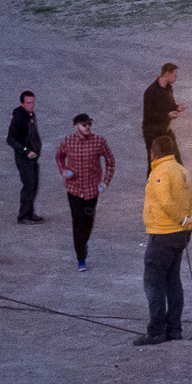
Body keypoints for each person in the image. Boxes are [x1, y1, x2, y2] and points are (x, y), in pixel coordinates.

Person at [136, 132, 192, 347]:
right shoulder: (182, 171)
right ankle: (174, 329)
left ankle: (156, 332)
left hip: (163, 233)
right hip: (180, 236)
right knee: (173, 281)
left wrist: (182, 220)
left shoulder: (159, 172)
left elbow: (165, 201)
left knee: (153, 283)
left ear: (155, 152)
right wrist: (191, 222)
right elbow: (191, 200)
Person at [54, 113, 115, 272]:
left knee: (88, 223)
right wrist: (64, 171)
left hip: (91, 191)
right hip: (74, 190)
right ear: (76, 126)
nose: (88, 127)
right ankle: (81, 257)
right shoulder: (68, 141)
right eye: (84, 125)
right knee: (77, 222)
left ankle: (83, 242)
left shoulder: (98, 141)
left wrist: (105, 182)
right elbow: (59, 156)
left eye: (89, 124)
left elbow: (110, 161)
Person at [6, 90, 45, 224]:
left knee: (34, 185)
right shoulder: (19, 118)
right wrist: (26, 150)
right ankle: (23, 216)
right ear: (22, 103)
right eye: (29, 102)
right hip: (24, 157)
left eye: (33, 102)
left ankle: (30, 212)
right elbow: (10, 139)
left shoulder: (31, 115)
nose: (32, 105)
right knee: (28, 185)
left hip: (33, 157)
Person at [141, 64, 184, 173]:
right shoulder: (151, 92)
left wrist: (177, 107)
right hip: (152, 132)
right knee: (154, 161)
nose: (176, 78)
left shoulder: (168, 87)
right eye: (174, 75)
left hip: (165, 129)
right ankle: (152, 187)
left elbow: (170, 104)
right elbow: (150, 114)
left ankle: (181, 186)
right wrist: (168, 115)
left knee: (176, 158)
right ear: (167, 74)